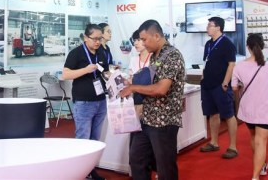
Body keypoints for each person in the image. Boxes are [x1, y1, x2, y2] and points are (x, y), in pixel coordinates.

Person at [120, 19, 185, 180]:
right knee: (137, 160)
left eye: (144, 39)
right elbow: (149, 79)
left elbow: (161, 89)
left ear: (156, 36)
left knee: (165, 168)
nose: (141, 43)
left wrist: (133, 88)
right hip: (147, 119)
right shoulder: (157, 55)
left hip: (164, 122)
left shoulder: (172, 55)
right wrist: (131, 82)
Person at [232, 33, 268, 180]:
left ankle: (262, 166)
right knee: (261, 141)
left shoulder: (239, 67)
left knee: (254, 137)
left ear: (247, 47)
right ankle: (255, 176)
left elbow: (234, 88)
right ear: (262, 46)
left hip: (248, 108)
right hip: (266, 108)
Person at [62, 24, 109, 180]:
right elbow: (66, 74)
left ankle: (90, 170)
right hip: (84, 102)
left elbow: (105, 72)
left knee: (95, 139)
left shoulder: (101, 51)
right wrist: (86, 70)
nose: (97, 42)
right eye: (95, 39)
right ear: (85, 37)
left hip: (101, 101)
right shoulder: (76, 53)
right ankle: (79, 172)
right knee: (83, 138)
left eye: (100, 38)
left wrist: (114, 78)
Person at [199, 16, 238, 159]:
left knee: (228, 114)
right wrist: (203, 76)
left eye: (210, 25)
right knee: (212, 113)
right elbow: (206, 62)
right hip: (207, 84)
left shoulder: (227, 44)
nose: (207, 28)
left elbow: (231, 64)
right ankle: (214, 142)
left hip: (220, 85)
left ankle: (233, 146)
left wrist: (226, 82)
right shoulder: (208, 44)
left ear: (218, 28)